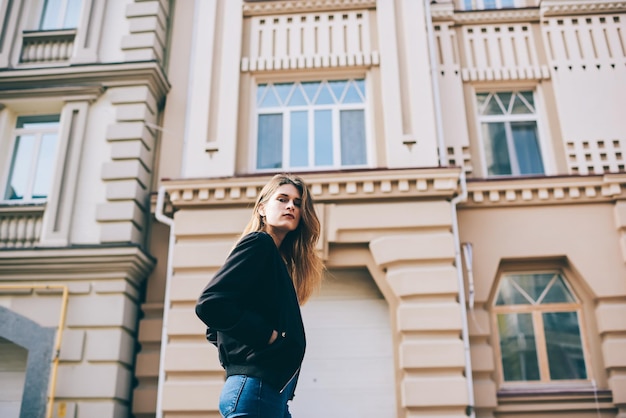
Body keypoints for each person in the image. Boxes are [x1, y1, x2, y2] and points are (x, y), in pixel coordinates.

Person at [195, 173, 324, 418]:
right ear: (262, 208)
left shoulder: (275, 259)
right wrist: (267, 338)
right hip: (256, 390)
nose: (291, 206)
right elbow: (211, 305)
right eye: (283, 199)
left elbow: (216, 329)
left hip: (270, 392)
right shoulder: (259, 243)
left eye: (297, 203)